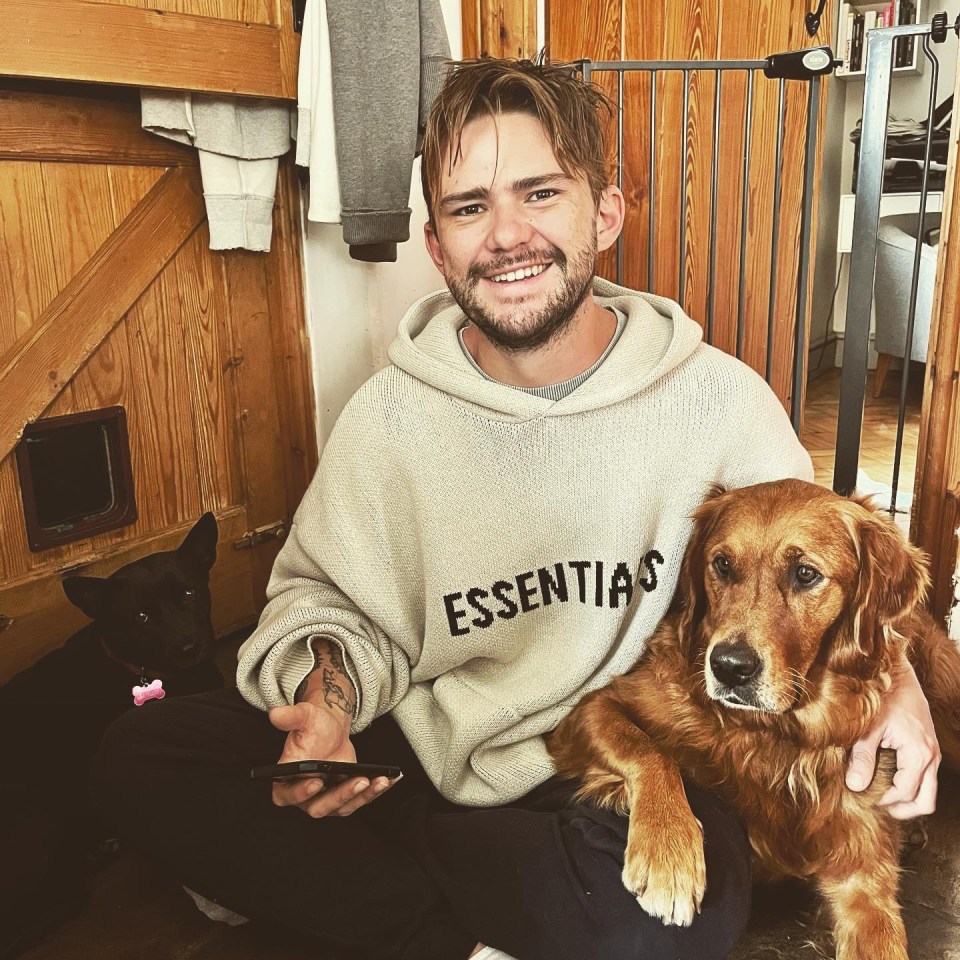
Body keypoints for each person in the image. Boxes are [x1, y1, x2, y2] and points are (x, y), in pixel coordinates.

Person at [93, 56, 940, 960]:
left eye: (539, 193)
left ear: (604, 213)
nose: (504, 235)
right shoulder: (387, 416)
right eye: (468, 207)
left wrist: (904, 688)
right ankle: (472, 914)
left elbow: (823, 576)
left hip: (600, 773)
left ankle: (381, 885)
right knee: (141, 754)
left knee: (680, 916)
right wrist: (325, 701)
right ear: (436, 245)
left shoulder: (722, 401)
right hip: (413, 742)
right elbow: (327, 607)